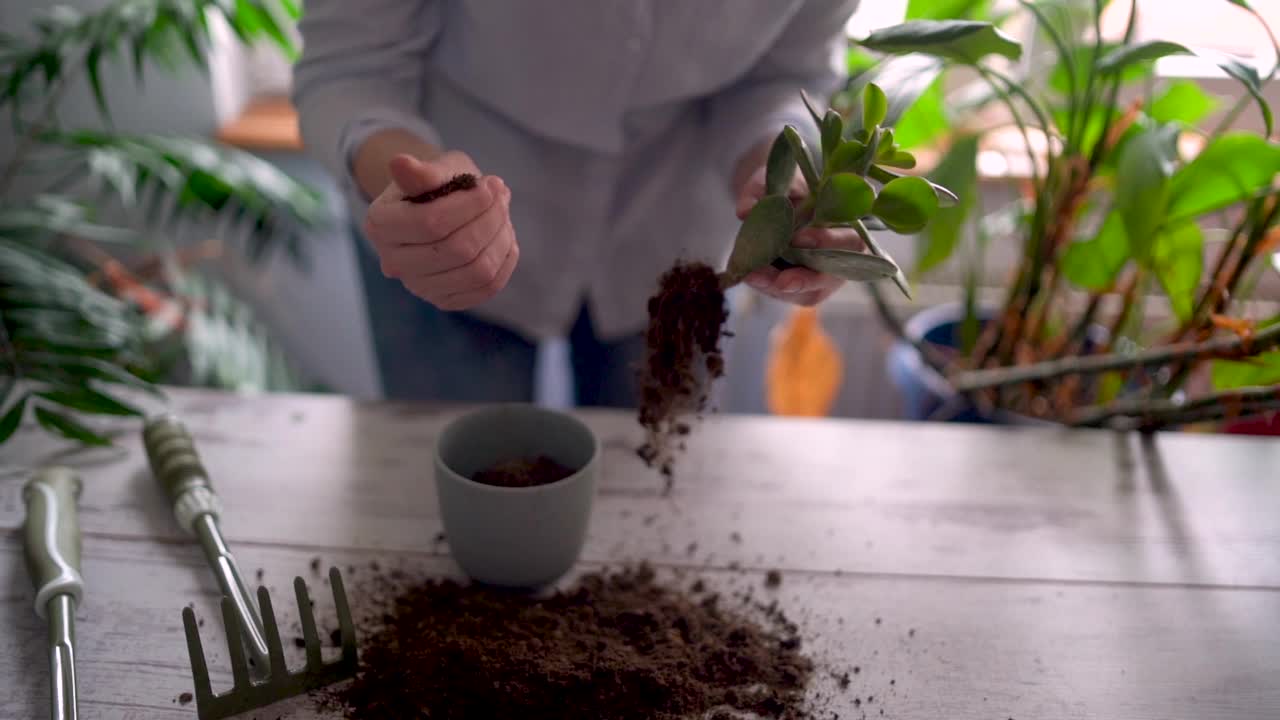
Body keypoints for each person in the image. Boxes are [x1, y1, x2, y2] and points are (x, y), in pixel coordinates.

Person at [291, 0, 865, 407]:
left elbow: (784, 76)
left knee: (652, 504)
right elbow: (354, 65)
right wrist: (417, 181)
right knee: (442, 499)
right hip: (441, 221)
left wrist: (781, 179)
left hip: (675, 230)